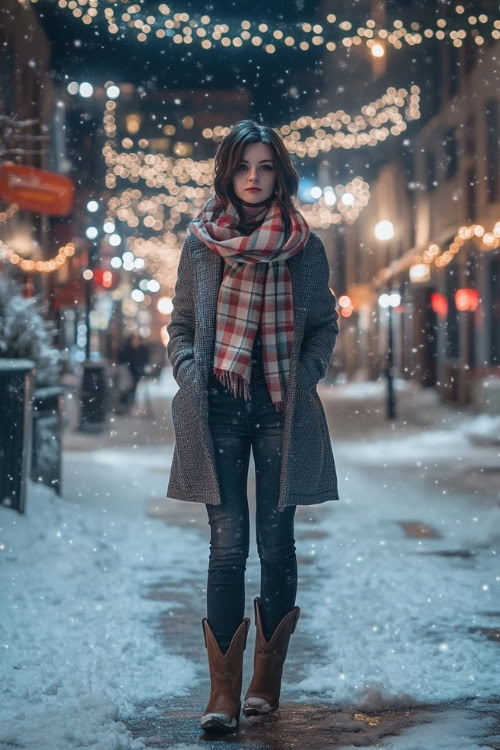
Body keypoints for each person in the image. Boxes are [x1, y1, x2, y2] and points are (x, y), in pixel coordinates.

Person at [166, 119, 340, 733]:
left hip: (278, 411)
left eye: (265, 167)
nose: (254, 178)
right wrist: (192, 374)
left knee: (276, 541)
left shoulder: (305, 247)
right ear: (227, 172)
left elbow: (324, 325)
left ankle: (265, 683)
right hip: (217, 408)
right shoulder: (201, 244)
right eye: (244, 166)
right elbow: (181, 325)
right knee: (227, 545)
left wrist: (304, 375)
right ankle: (221, 694)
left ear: (280, 173)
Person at [117, 333, 150, 412]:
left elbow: (145, 359)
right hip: (128, 372)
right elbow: (122, 359)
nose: (136, 342)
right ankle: (125, 404)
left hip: (136, 372)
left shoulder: (142, 349)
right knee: (126, 388)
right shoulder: (127, 348)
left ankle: (128, 404)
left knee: (132, 388)